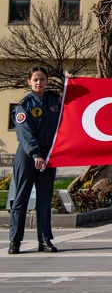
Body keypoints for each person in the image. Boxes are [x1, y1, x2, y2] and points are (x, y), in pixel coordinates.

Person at [8, 66, 61, 255]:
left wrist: (72, 81)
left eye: (42, 79)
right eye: (35, 79)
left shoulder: (55, 100)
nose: (39, 83)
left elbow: (75, 102)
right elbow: (25, 134)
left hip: (48, 157)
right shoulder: (24, 105)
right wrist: (36, 154)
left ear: (47, 81)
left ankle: (45, 239)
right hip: (28, 156)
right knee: (21, 199)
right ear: (29, 82)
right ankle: (15, 241)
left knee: (45, 200)